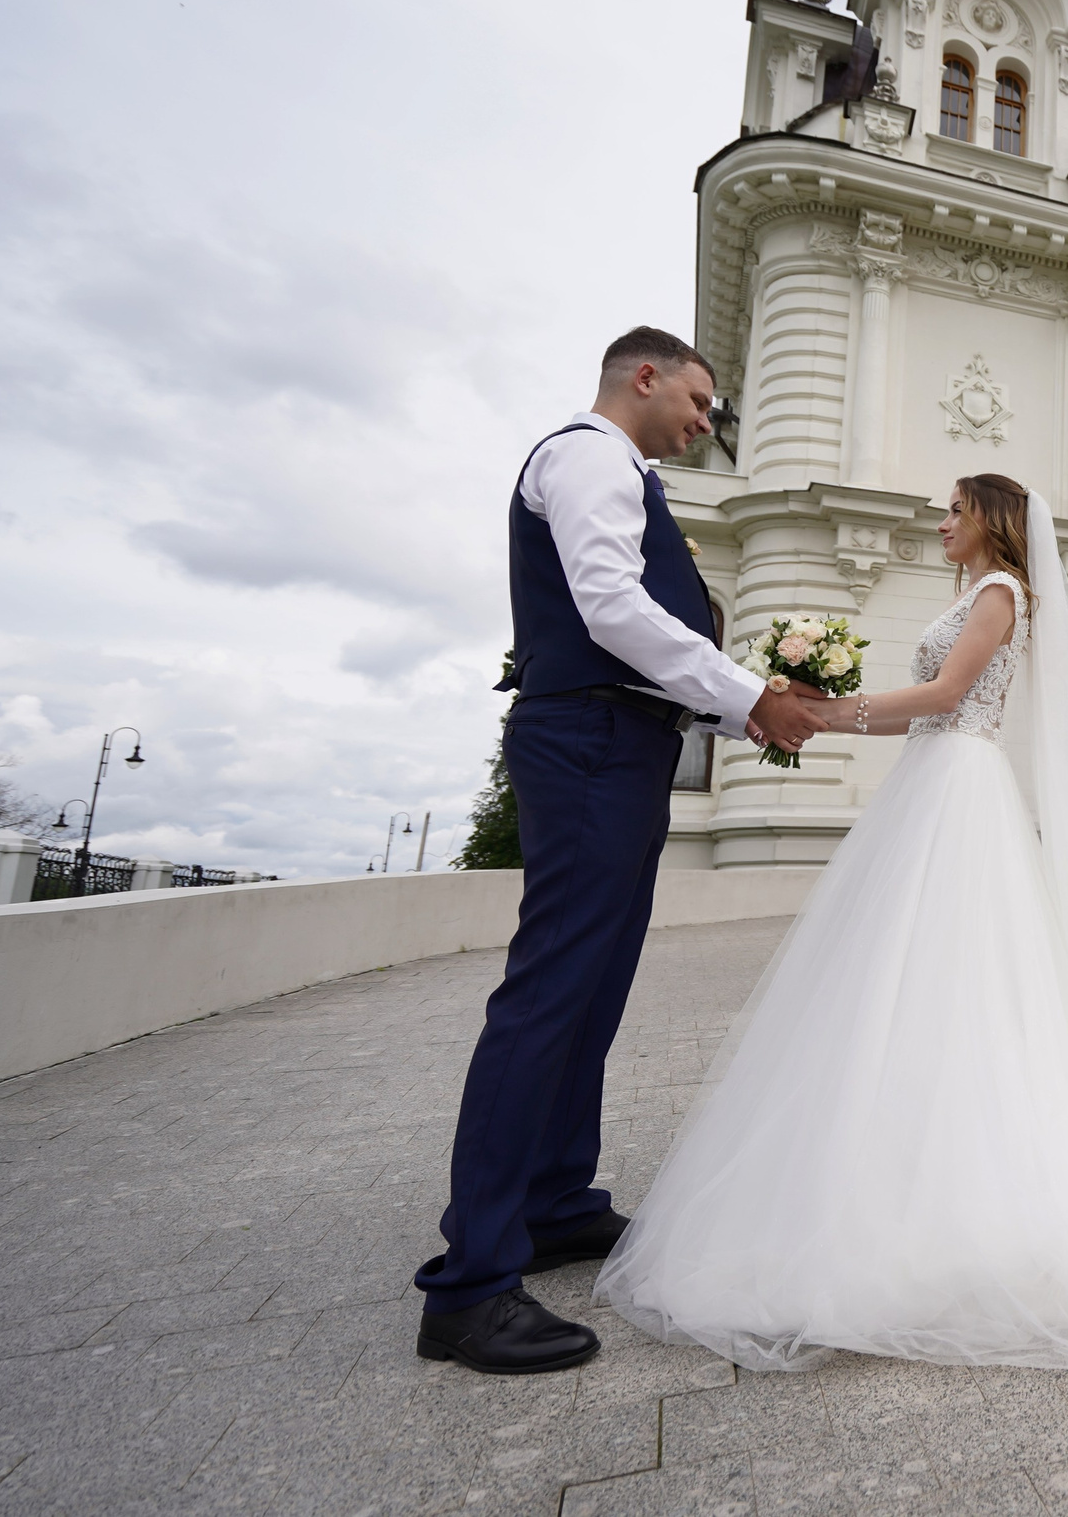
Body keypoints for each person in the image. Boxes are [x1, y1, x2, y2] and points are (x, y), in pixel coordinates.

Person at [597, 475, 1068, 1371]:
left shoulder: (1000, 594)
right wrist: (823, 708)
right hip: (933, 783)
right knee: (900, 978)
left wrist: (830, 712)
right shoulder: (975, 594)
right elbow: (932, 704)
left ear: (992, 521)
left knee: (953, 974)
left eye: (954, 508)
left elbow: (951, 694)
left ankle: (958, 1178)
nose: (941, 519)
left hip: (960, 788)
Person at [414, 327, 830, 1376]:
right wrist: (751, 699)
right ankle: (469, 1287)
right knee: (552, 991)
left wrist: (736, 711)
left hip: (624, 742)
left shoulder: (625, 470)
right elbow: (609, 605)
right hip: (593, 739)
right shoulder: (591, 454)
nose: (705, 422)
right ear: (643, 377)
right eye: (698, 400)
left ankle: (555, 1203)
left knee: (591, 990)